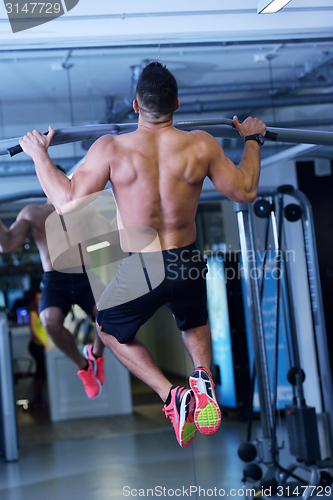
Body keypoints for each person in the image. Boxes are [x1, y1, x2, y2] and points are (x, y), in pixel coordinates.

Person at [19, 61, 266, 447]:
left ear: (135, 106)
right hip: (186, 260)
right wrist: (253, 140)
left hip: (143, 267)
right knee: (193, 322)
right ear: (178, 104)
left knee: (108, 328)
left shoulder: (112, 148)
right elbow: (246, 190)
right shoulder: (202, 145)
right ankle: (202, 379)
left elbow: (66, 202)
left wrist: (38, 154)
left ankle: (174, 396)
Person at [0, 172, 106, 400]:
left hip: (85, 274)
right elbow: (6, 245)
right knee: (49, 321)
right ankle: (84, 366)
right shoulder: (33, 214)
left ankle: (96, 355)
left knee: (108, 313)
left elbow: (111, 235)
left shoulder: (83, 210)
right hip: (55, 279)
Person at [28, 289, 50, 408]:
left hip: (43, 346)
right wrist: (44, 344)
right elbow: (34, 332)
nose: (39, 300)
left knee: (42, 372)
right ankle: (36, 399)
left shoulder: (44, 310)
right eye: (37, 298)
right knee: (40, 372)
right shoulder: (33, 313)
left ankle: (39, 398)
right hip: (36, 346)